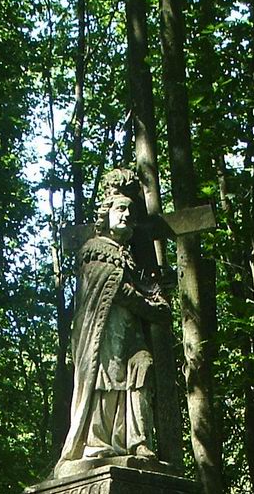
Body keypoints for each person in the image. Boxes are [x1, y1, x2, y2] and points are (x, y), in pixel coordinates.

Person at [57, 170, 170, 467]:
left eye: (130, 211)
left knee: (142, 368)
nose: (126, 216)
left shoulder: (127, 256)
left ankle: (136, 440)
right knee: (105, 379)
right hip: (102, 331)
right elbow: (117, 290)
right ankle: (97, 441)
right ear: (105, 214)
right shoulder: (94, 251)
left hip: (128, 330)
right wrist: (148, 302)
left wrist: (151, 299)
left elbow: (134, 290)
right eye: (120, 209)